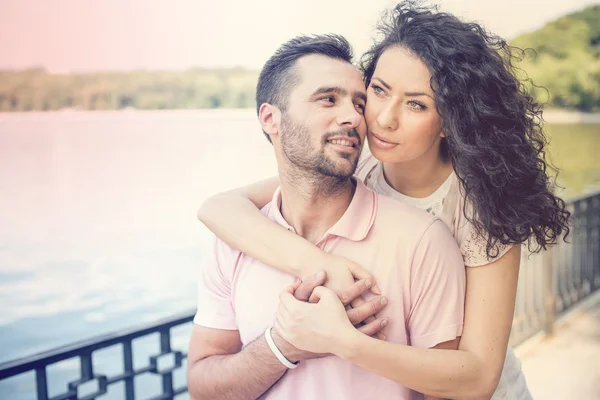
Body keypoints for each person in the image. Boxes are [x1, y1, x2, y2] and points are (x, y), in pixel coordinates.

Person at [196, 2, 571, 399]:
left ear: (450, 120)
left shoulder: (478, 205)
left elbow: (477, 375)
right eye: (378, 91)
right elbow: (218, 208)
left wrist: (345, 342)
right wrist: (318, 263)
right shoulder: (362, 160)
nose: (384, 119)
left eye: (416, 104)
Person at [187, 33, 467, 400]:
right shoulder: (233, 240)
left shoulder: (422, 241)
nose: (353, 117)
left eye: (359, 102)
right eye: (328, 99)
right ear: (271, 118)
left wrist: (342, 340)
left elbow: (452, 392)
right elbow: (203, 387)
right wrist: (283, 345)